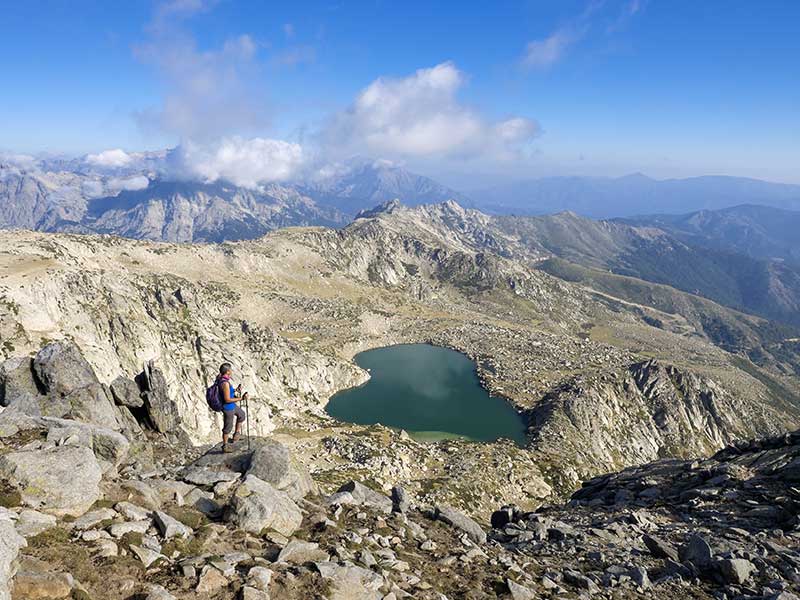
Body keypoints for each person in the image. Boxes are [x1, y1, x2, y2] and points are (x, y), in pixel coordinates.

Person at [217, 362, 247, 453]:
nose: (232, 371)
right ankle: (225, 446)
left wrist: (236, 390)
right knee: (227, 427)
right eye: (230, 370)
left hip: (232, 406)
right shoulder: (224, 383)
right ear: (228, 371)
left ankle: (236, 434)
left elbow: (228, 392)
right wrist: (241, 398)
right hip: (228, 408)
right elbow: (227, 399)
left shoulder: (223, 379)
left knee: (241, 415)